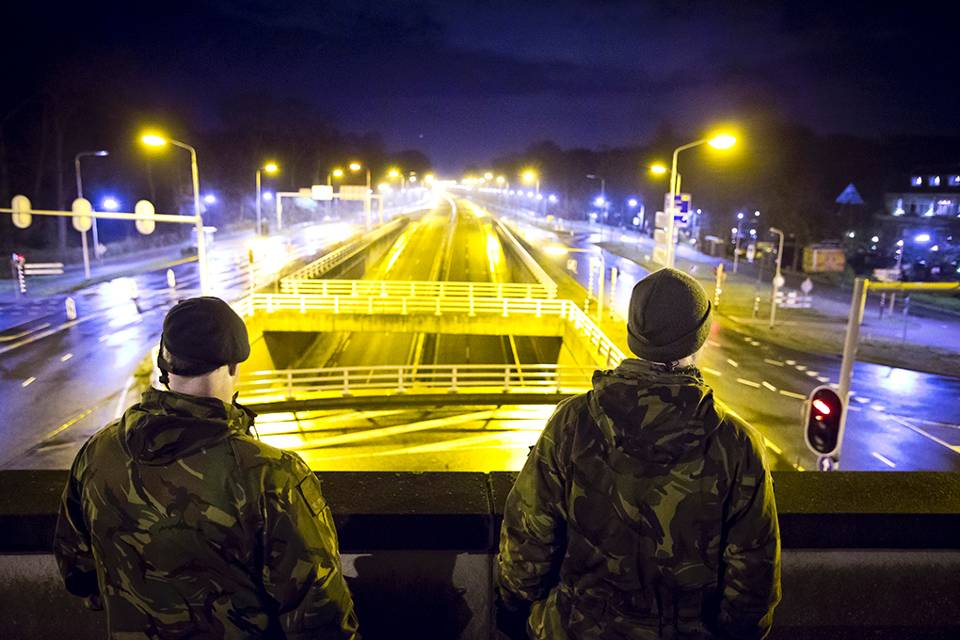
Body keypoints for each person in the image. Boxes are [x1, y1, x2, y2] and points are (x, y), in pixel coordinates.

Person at [497, 268, 781, 639]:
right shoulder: (737, 444)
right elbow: (753, 586)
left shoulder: (573, 422)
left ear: (634, 335)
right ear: (699, 337)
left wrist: (517, 612)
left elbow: (527, 543)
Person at [54, 296, 360, 639]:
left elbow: (77, 572)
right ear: (234, 365)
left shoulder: (99, 452)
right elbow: (320, 619)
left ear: (165, 365)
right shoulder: (271, 476)